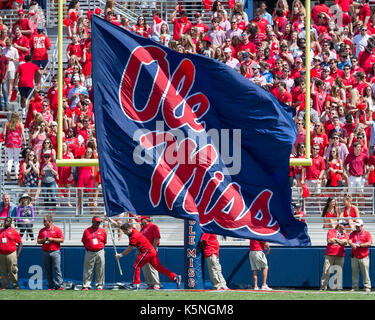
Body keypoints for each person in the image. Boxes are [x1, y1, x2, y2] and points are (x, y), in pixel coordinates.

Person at [112, 221, 181, 290]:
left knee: (136, 266)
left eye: (125, 232)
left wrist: (120, 255)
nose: (125, 234)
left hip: (147, 251)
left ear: (128, 230)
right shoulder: (133, 229)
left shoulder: (133, 237)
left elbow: (129, 249)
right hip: (151, 251)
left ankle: (135, 284)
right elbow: (121, 225)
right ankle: (175, 277)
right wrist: (111, 220)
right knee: (159, 268)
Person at [37, 215, 64, 290]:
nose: (44, 222)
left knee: (57, 269)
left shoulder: (57, 229)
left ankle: (59, 285)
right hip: (45, 251)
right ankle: (51, 285)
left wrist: (52, 239)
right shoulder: (42, 230)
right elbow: (38, 241)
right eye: (44, 221)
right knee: (48, 269)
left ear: (50, 222)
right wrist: (43, 240)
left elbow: (62, 240)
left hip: (55, 251)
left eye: (45, 221)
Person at [320, 219, 349, 290]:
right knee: (326, 271)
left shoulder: (345, 234)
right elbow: (329, 240)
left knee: (338, 271)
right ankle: (323, 287)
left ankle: (336, 287)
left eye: (345, 225)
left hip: (340, 254)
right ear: (339, 224)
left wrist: (336, 239)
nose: (345, 226)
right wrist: (339, 241)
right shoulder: (331, 231)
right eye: (343, 224)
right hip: (330, 254)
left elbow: (345, 242)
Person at [81, 216, 107, 291]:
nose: (98, 224)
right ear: (93, 222)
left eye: (99, 222)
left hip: (100, 251)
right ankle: (86, 285)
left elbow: (104, 241)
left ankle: (99, 286)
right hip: (90, 252)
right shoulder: (87, 231)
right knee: (88, 269)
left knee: (100, 269)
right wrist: (89, 247)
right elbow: (84, 241)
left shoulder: (102, 231)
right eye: (97, 222)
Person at [348, 219, 372, 292]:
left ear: (362, 226)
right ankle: (355, 287)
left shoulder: (367, 233)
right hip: (355, 256)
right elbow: (349, 241)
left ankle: (367, 287)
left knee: (365, 273)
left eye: (358, 226)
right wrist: (352, 244)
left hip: (364, 256)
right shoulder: (353, 233)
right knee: (354, 273)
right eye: (356, 226)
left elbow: (369, 243)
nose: (357, 228)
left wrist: (360, 245)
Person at [3, 112, 26, 181]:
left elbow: (4, 133)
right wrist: (25, 143)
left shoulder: (7, 124)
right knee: (16, 159)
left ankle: (8, 171)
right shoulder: (20, 124)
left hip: (9, 142)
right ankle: (16, 173)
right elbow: (23, 134)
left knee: (10, 158)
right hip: (17, 142)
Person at [139, 216, 161, 290]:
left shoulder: (153, 226)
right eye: (141, 220)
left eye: (142, 219)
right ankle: (149, 284)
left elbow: (156, 238)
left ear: (146, 219)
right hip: (143, 251)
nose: (141, 221)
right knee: (145, 268)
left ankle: (156, 284)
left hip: (150, 249)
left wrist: (153, 249)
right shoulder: (142, 229)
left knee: (152, 267)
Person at [0, 217, 22, 289]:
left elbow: (20, 243)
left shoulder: (14, 232)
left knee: (13, 270)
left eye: (8, 221)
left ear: (10, 223)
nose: (6, 222)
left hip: (11, 254)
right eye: (5, 221)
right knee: (3, 271)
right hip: (2, 254)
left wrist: (17, 254)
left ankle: (15, 285)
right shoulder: (1, 231)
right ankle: (5, 286)